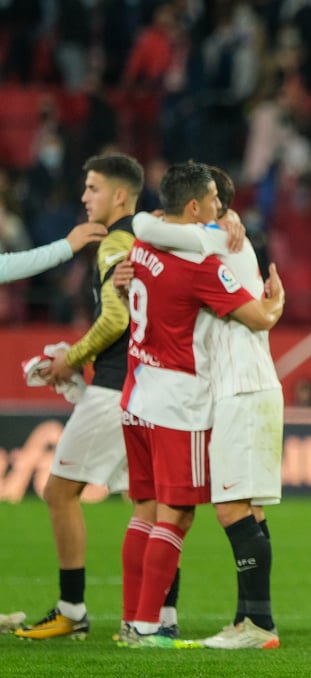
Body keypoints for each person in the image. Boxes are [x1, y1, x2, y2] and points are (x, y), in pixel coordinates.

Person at [116, 161, 285, 648]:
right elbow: (260, 317)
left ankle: (251, 624)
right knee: (222, 509)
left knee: (223, 508)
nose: (219, 215)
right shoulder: (206, 245)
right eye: (214, 207)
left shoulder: (157, 240)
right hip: (206, 391)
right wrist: (277, 304)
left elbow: (147, 221)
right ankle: (230, 621)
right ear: (199, 209)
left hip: (230, 387)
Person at [14, 155, 145, 641]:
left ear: (118, 195)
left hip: (113, 385)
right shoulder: (151, 238)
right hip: (147, 386)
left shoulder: (114, 240)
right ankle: (154, 614)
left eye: (92, 188)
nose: (85, 197)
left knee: (58, 491)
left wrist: (72, 358)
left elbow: (115, 320)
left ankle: (72, 609)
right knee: (148, 501)